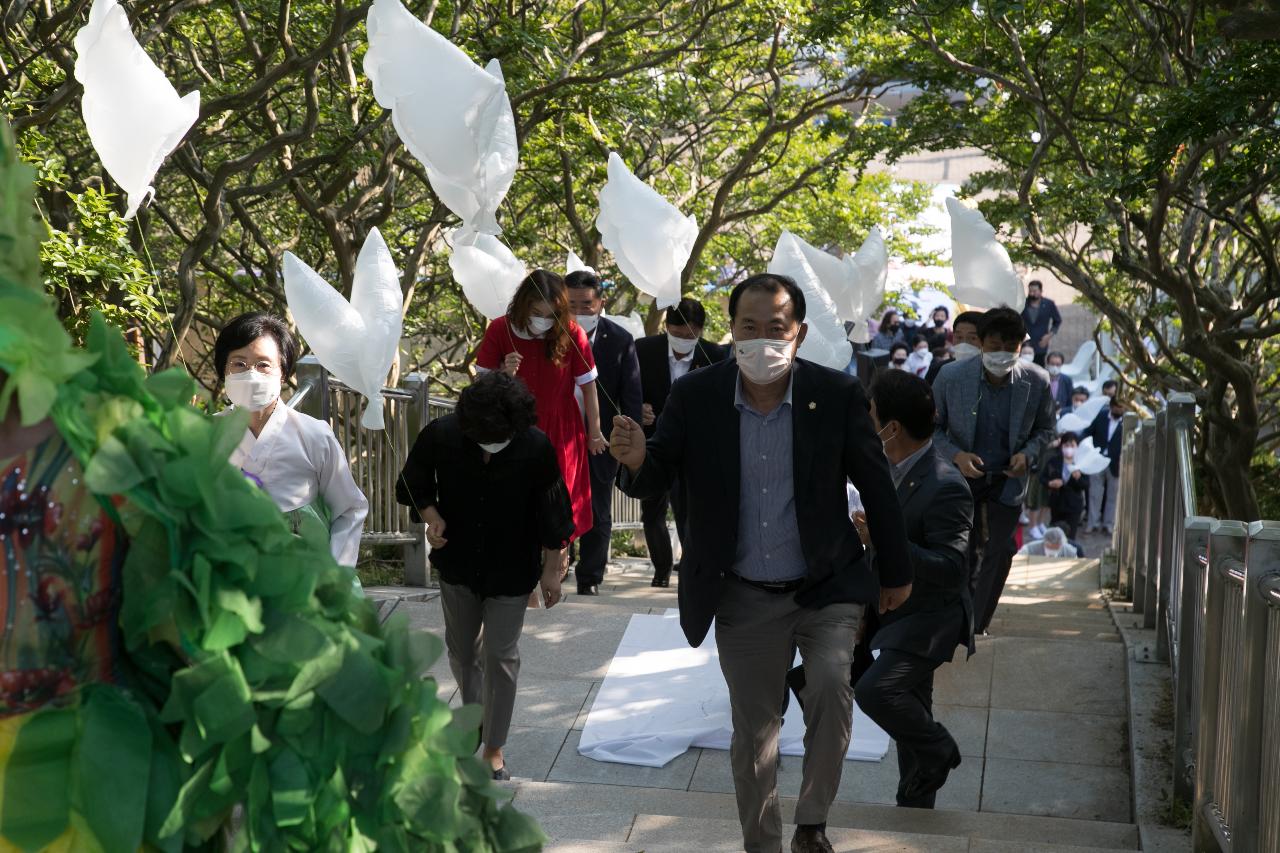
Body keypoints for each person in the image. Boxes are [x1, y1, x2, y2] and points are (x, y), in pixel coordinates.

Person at [610, 273, 913, 853]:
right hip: (742, 592)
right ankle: (763, 844)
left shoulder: (839, 394)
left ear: (798, 333)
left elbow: (876, 483)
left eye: (777, 329)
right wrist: (636, 457)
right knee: (755, 732)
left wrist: (895, 572)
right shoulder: (696, 395)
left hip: (826, 585)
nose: (763, 341)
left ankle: (812, 821)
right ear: (731, 332)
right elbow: (657, 472)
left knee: (829, 686)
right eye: (749, 329)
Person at [395, 372, 575, 780]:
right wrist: (431, 516)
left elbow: (554, 513)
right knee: (461, 651)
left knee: (501, 654)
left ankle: (494, 746)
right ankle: (475, 714)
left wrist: (552, 571)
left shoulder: (534, 446)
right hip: (457, 561)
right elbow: (412, 482)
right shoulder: (442, 434)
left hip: (513, 566)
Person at [852, 370, 973, 811]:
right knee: (911, 708)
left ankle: (939, 749)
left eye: (871, 412)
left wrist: (885, 543)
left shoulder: (945, 485)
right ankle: (916, 801)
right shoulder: (884, 466)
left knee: (877, 692)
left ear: (893, 427)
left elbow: (952, 567)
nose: (866, 420)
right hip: (890, 612)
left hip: (929, 618)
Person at [932, 307, 1056, 636]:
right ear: (982, 344)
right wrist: (956, 455)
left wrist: (1027, 455)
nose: (1001, 353)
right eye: (994, 344)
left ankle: (977, 623)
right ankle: (957, 617)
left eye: (1010, 346)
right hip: (961, 476)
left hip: (1007, 478)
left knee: (999, 551)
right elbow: (932, 430)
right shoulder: (951, 377)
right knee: (962, 550)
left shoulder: (1037, 380)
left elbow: (1046, 430)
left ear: (1021, 346)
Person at [215, 312, 369, 568]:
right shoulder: (204, 434)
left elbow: (350, 509)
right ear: (224, 370)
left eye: (263, 364)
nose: (251, 374)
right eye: (239, 364)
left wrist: (335, 572)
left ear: (283, 372)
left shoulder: (313, 435)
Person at [474, 270, 607, 544]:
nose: (543, 321)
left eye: (551, 315)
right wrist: (502, 372)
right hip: (513, 428)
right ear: (523, 304)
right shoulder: (500, 328)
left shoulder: (571, 332)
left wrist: (594, 431)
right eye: (537, 312)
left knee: (560, 501)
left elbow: (588, 385)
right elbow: (480, 385)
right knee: (516, 499)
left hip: (562, 428)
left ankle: (557, 562)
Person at [634, 297, 727, 587]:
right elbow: (628, 386)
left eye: (691, 336)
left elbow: (721, 399)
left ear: (700, 331)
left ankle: (692, 566)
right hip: (653, 442)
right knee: (652, 510)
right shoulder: (643, 350)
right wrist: (638, 408)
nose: (684, 340)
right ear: (666, 327)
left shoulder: (715, 355)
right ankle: (661, 567)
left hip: (694, 446)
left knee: (690, 511)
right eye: (677, 334)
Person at [566, 271, 643, 595]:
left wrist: (628, 440)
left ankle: (590, 577)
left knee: (597, 509)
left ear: (600, 302)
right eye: (571, 305)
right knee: (555, 502)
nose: (580, 312)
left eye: (586, 305)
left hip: (602, 441)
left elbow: (632, 393)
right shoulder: (552, 335)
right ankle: (556, 564)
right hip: (559, 436)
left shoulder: (621, 339)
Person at [1087, 396, 1125, 534]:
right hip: (1098, 460)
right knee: (1094, 494)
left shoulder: (1128, 422)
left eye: (1122, 408)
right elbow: (1088, 433)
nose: (1119, 410)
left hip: (1116, 464)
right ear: (1111, 406)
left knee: (1113, 496)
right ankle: (1092, 523)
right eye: (1117, 407)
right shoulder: (1101, 416)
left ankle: (1109, 524)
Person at [1041, 431, 1089, 539]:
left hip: (1073, 505)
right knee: (1054, 535)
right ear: (1061, 446)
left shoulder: (1081, 463)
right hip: (1057, 503)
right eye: (1066, 445)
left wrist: (1078, 478)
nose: (1069, 448)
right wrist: (1050, 483)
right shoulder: (1054, 461)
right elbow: (1043, 478)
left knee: (1070, 536)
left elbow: (1086, 485)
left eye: (1072, 445)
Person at [927, 310, 983, 385]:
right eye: (959, 337)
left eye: (972, 338)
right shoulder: (939, 370)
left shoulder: (994, 376)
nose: (964, 343)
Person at [1020, 279, 1062, 366]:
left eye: (1034, 291)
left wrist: (1049, 336)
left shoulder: (1049, 304)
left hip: (1041, 343)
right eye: (1030, 291)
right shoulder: (1022, 303)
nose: (1032, 293)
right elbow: (1016, 320)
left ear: (1041, 291)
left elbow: (1057, 321)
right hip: (1025, 344)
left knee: (1039, 368)